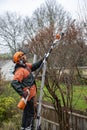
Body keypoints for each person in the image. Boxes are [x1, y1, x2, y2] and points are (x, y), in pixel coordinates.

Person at [11, 51, 43, 130]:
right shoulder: (20, 71)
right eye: (23, 57)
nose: (25, 57)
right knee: (30, 114)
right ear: (20, 59)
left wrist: (42, 60)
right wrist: (22, 93)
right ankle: (28, 128)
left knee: (27, 114)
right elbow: (14, 83)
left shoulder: (26, 66)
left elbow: (34, 66)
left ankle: (24, 128)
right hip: (28, 97)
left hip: (31, 96)